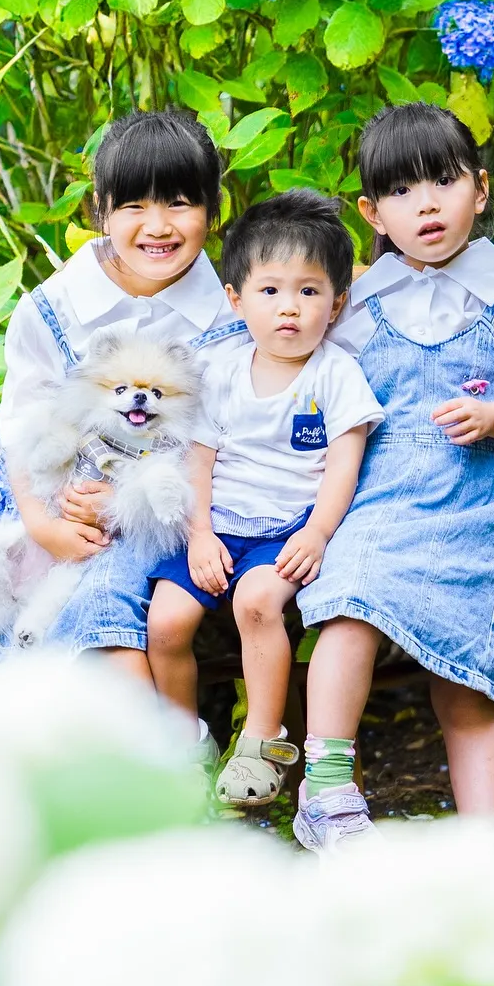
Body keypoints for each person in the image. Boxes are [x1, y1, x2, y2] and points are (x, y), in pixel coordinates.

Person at [294, 102, 494, 849]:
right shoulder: (357, 305)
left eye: (445, 181)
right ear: (373, 213)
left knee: (468, 692)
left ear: (480, 192)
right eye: (401, 191)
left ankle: (492, 847)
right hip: (377, 505)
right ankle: (326, 786)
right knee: (349, 606)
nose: (426, 203)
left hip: (472, 513)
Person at [0, 110, 247, 725]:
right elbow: (24, 425)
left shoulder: (234, 313)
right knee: (54, 603)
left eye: (182, 203)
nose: (158, 226)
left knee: (105, 598)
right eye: (133, 205)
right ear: (100, 210)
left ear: (213, 212)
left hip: (183, 515)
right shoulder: (56, 309)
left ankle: (162, 766)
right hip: (68, 518)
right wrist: (42, 524)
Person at [146, 191, 383, 809]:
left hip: (289, 528)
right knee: (166, 621)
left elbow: (343, 465)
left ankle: (262, 741)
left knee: (257, 602)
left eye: (309, 291)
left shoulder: (335, 374)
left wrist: (318, 534)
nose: (289, 309)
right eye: (270, 290)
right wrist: (198, 533)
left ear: (337, 303)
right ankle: (183, 742)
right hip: (217, 526)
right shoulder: (221, 371)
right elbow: (199, 458)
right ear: (236, 299)